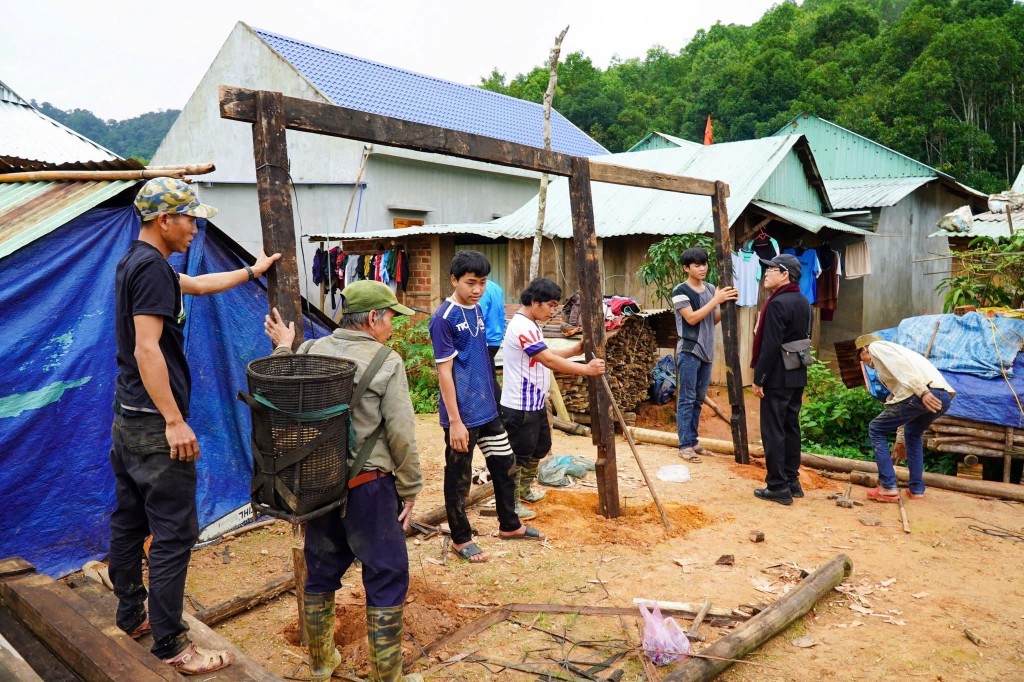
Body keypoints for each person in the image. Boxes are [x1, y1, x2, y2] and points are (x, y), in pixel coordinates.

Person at [109, 177, 280, 674]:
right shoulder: (151, 270)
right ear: (164, 220)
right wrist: (175, 421)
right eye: (190, 218)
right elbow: (146, 348)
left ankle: (131, 617)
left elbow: (200, 285)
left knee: (129, 523)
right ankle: (173, 646)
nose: (194, 228)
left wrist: (253, 271)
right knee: (173, 535)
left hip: (128, 420)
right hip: (155, 427)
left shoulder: (139, 264)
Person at [264, 280, 423, 682]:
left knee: (320, 570)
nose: (392, 327)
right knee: (386, 573)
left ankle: (320, 663)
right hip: (369, 486)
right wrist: (410, 488)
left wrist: (285, 345)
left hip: (320, 484)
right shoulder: (387, 362)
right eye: (390, 318)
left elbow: (284, 388)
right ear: (372, 318)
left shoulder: (312, 350)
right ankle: (387, 676)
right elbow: (402, 433)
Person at [429, 251, 544, 564]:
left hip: (487, 407)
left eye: (481, 282)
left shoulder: (477, 309)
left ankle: (509, 525)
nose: (477, 289)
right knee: (459, 478)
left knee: (505, 466)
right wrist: (454, 421)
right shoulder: (444, 318)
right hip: (462, 414)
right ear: (454, 280)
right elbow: (444, 372)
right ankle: (460, 537)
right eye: (470, 283)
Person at [500, 278, 606, 514]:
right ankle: (512, 504)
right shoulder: (522, 327)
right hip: (519, 405)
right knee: (518, 455)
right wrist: (586, 369)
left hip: (535, 402)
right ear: (535, 302)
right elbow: (548, 360)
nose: (553, 310)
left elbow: (547, 354)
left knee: (539, 448)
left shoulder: (531, 324)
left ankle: (524, 490)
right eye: (550, 305)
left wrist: (575, 350)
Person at [855, 334, 955, 502]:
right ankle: (916, 490)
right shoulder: (901, 352)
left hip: (924, 393)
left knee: (875, 428)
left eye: (862, 358)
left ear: (864, 349)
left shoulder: (877, 347)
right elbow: (899, 401)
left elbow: (902, 369)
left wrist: (923, 392)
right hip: (943, 396)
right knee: (912, 433)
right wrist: (899, 437)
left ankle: (887, 486)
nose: (866, 363)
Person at [750, 254, 811, 505]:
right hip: (797, 372)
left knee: (773, 430)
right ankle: (792, 480)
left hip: (777, 375)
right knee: (790, 426)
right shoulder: (803, 301)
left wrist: (759, 378)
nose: (766, 273)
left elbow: (771, 345)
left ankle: (777, 486)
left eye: (771, 269)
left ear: (785, 274)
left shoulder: (776, 304)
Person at [671, 247, 739, 462]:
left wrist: (727, 304)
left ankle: (693, 441)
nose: (702, 268)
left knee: (698, 399)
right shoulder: (680, 291)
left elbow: (712, 319)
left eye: (704, 264)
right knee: (686, 398)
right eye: (697, 265)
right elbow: (691, 319)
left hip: (707, 351)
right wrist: (716, 300)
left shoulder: (710, 289)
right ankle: (684, 446)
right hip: (690, 350)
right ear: (686, 268)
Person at [478, 278, 506, 403]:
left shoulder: (480, 290)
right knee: (489, 377)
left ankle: (499, 413)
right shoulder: (496, 287)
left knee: (488, 379)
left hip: (485, 339)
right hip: (495, 337)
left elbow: (478, 315)